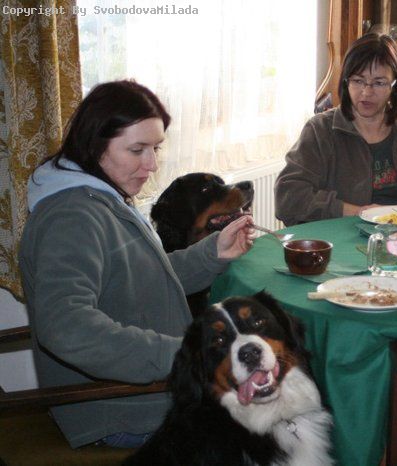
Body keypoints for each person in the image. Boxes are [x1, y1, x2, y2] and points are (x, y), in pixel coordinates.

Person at [18, 80, 256, 449]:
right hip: (123, 408)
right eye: (137, 150)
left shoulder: (101, 196)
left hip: (142, 392)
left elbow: (140, 277)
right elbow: (67, 328)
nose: (152, 165)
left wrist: (213, 253)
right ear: (95, 144)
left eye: (155, 148)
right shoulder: (72, 217)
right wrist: (185, 355)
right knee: (268, 421)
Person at [274, 33, 397, 226]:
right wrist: (359, 212)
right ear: (346, 81)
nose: (367, 92)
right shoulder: (320, 130)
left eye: (379, 83)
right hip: (341, 238)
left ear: (395, 86)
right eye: (358, 81)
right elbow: (288, 197)